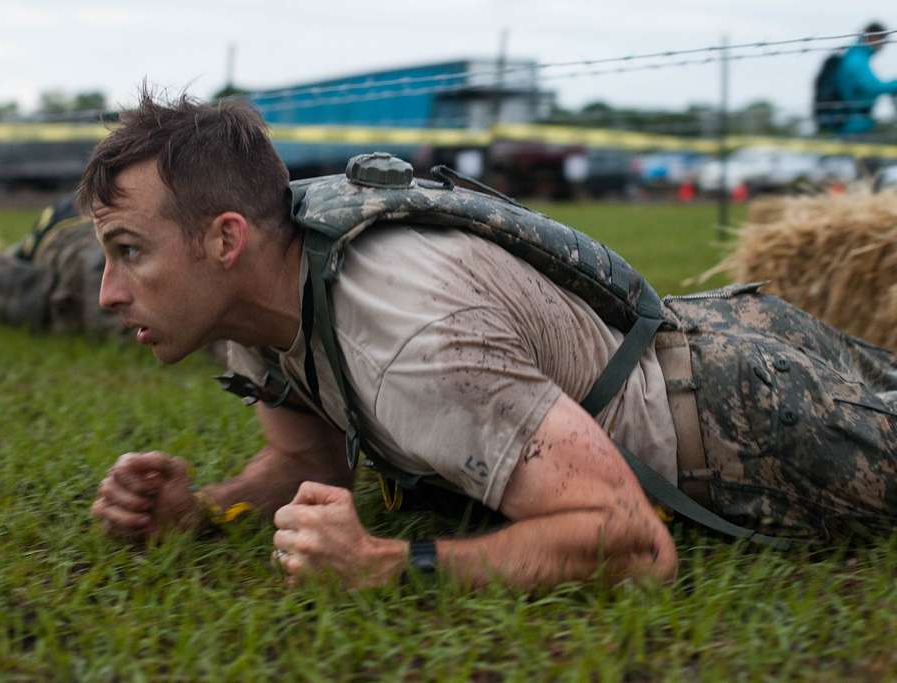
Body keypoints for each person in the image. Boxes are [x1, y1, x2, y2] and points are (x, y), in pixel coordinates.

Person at [83, 92, 897, 591]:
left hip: (742, 417)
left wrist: (382, 565)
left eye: (129, 252)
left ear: (226, 240)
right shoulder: (261, 299)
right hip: (706, 331)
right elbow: (306, 464)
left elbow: (628, 540)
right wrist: (201, 511)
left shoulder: (410, 339)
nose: (109, 293)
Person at [816, 21, 897, 135]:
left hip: (847, 119)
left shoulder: (854, 55)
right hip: (850, 123)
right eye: (884, 41)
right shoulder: (856, 59)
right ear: (874, 37)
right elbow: (871, 87)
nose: (883, 46)